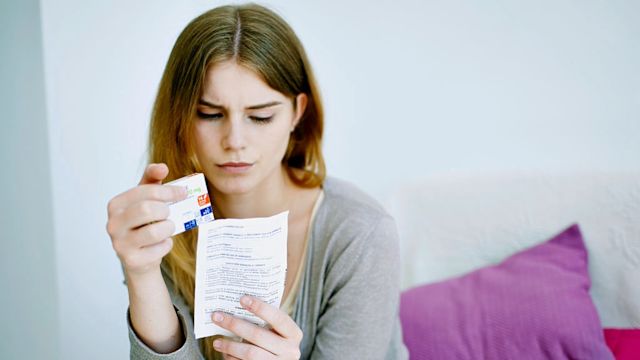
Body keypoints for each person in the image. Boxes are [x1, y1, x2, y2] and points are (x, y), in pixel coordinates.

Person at [106, 3, 408, 359]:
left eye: (260, 117)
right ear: (180, 116)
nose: (235, 141)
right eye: (210, 114)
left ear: (297, 112)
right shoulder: (164, 225)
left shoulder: (359, 235)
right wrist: (141, 272)